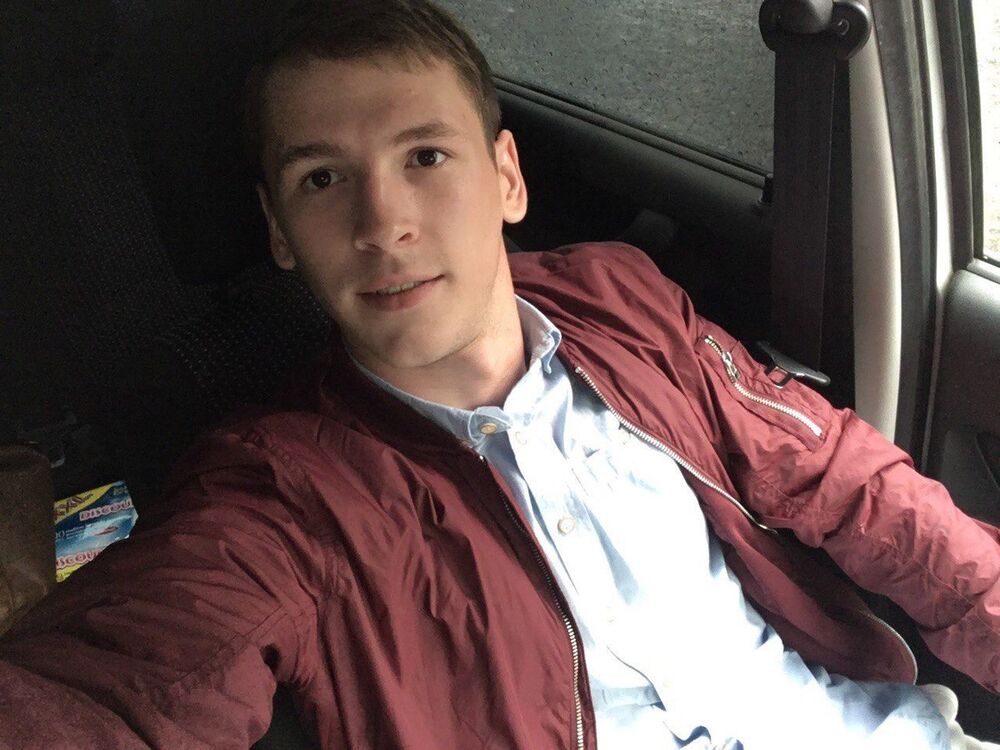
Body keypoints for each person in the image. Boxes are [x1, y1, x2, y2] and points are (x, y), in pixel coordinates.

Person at [1, 1, 998, 748]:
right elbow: (117, 685)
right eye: (323, 179)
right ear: (281, 231)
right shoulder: (278, 489)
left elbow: (846, 480)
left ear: (508, 176)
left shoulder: (620, 298)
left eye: (425, 157)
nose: (382, 223)